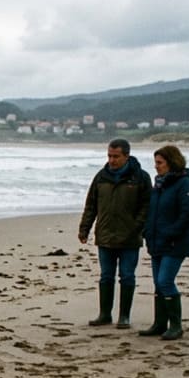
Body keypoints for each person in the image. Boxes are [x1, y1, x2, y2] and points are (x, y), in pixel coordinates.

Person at [79, 139, 151, 328]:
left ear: (126, 156)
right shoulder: (101, 176)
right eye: (109, 156)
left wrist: (137, 227)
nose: (112, 160)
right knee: (106, 276)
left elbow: (146, 206)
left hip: (130, 237)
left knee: (127, 276)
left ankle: (124, 316)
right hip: (105, 235)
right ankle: (104, 314)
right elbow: (91, 205)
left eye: (116, 156)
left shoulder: (140, 177)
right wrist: (84, 228)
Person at [138, 145, 189, 340]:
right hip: (156, 241)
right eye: (155, 163)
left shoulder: (185, 184)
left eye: (160, 163)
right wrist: (147, 231)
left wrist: (171, 234)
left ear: (171, 162)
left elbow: (188, 215)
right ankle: (159, 323)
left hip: (174, 242)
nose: (156, 167)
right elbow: (152, 211)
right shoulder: (159, 185)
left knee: (165, 281)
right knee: (158, 283)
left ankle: (176, 325)